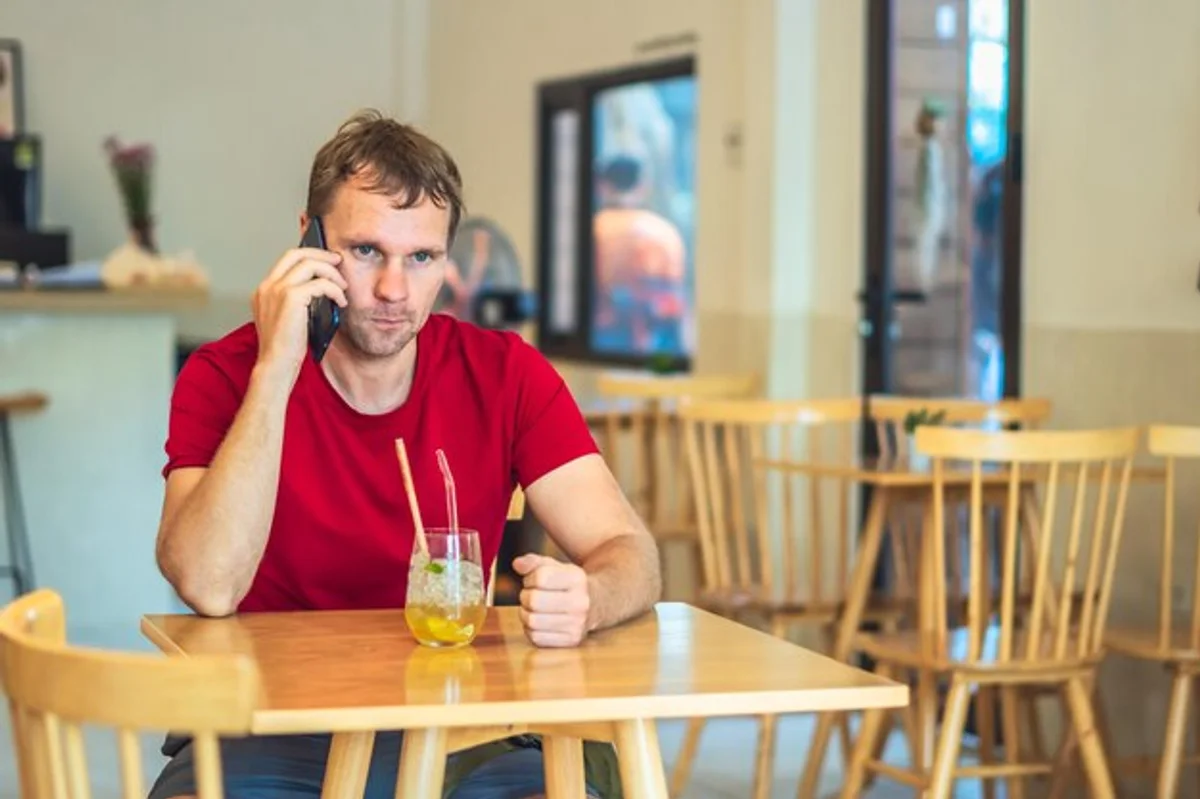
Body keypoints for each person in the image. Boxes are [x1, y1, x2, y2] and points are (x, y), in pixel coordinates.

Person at [150, 109, 661, 799]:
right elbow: (208, 583)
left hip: (458, 729)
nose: (394, 291)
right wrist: (278, 367)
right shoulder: (225, 374)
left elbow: (630, 550)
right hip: (265, 726)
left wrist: (592, 597)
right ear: (310, 243)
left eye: (420, 258)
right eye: (366, 252)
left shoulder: (506, 373)